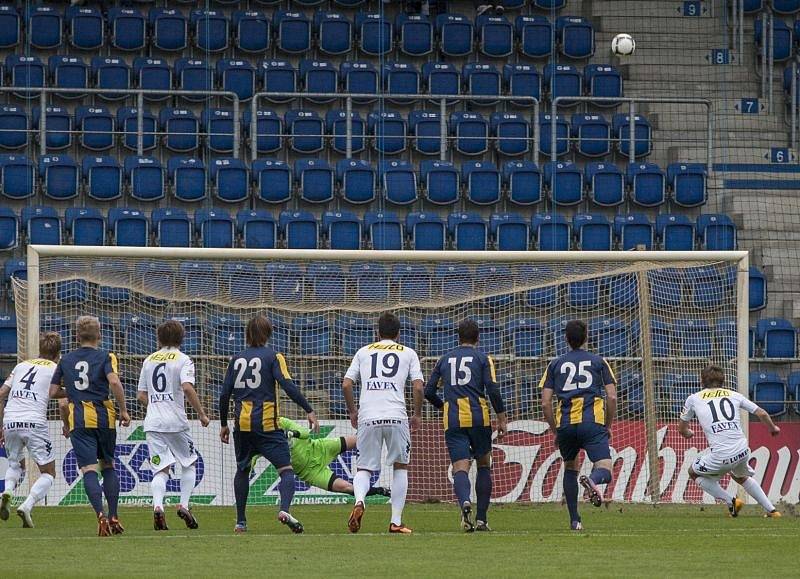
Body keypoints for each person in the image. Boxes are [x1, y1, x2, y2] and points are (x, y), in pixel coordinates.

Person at [218, 314, 319, 534]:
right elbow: (287, 385)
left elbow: (224, 393)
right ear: (268, 333)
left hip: (242, 424)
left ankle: (241, 521)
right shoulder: (274, 357)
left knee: (243, 470)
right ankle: (284, 509)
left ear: (247, 334)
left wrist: (224, 424)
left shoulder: (236, 359)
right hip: (267, 425)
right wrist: (308, 409)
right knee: (286, 470)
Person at [342, 312, 424, 534]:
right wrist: (416, 414)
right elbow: (418, 387)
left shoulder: (364, 351)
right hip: (397, 416)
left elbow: (347, 384)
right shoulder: (408, 353)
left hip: (368, 415)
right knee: (400, 467)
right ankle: (396, 522)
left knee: (364, 468)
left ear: (377, 332)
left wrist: (352, 412)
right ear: (398, 333)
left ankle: (360, 501)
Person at [50, 316, 131, 536]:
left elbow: (53, 392)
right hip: (105, 417)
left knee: (88, 470)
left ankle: (100, 515)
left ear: (77, 336)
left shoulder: (65, 360)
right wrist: (123, 410)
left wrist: (75, 393)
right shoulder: (107, 356)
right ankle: (114, 515)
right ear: (100, 335)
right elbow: (114, 382)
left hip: (79, 419)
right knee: (108, 465)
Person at [425, 319, 507, 532]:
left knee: (460, 467)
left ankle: (464, 503)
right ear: (478, 338)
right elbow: (492, 388)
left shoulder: (444, 359)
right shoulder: (483, 358)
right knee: (483, 465)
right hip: (479, 417)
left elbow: (428, 391)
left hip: (453, 419)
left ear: (458, 337)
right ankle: (481, 519)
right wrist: (502, 417)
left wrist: (443, 407)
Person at [540, 319, 617, 531]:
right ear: (587, 337)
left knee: (570, 468)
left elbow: (545, 403)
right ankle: (592, 480)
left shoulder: (554, 364)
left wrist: (556, 430)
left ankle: (575, 520)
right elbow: (611, 397)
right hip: (592, 422)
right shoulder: (598, 361)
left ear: (566, 339)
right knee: (605, 468)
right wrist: (608, 424)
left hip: (565, 424)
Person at [678, 364, 782, 517]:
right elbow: (762, 413)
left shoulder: (694, 399)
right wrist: (773, 429)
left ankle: (732, 501)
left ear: (701, 381)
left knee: (693, 472)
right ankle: (772, 511)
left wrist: (688, 433)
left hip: (721, 455)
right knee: (740, 476)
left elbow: (682, 429)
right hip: (742, 450)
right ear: (722, 381)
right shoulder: (734, 395)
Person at [136, 320, 210, 531]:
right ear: (181, 338)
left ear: (159, 338)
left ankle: (158, 506)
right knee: (188, 462)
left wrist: (157, 405)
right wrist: (202, 414)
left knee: (160, 469)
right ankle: (184, 505)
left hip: (153, 422)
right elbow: (187, 387)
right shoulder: (183, 359)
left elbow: (141, 394)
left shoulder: (149, 360)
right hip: (176, 421)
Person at [0, 332, 62, 528]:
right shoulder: (56, 368)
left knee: (15, 465)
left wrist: (1, 424)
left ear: (40, 350)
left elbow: (1, 393)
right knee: (49, 472)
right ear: (58, 353)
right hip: (34, 421)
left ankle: (7, 492)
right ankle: (27, 505)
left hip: (10, 420)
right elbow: (60, 398)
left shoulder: (21, 366)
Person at [252, 416, 390, 499]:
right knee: (347, 488)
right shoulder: (262, 440)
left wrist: (291, 433)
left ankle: (385, 432)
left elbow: (305, 433)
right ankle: (381, 490)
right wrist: (247, 465)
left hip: (319, 449)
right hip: (311, 473)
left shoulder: (281, 421)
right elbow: (252, 456)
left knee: (359, 439)